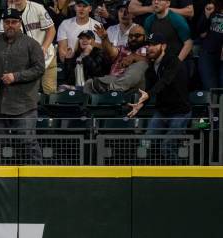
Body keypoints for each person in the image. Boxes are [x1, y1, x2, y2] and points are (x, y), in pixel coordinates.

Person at [0, 8, 45, 163]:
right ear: (3, 23)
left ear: (20, 23)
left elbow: (39, 68)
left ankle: (38, 178)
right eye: (7, 22)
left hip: (24, 104)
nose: (10, 25)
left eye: (14, 22)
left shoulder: (31, 44)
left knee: (27, 142)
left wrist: (16, 76)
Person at [127, 33, 191, 162]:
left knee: (167, 145)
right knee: (145, 143)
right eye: (148, 45)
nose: (150, 48)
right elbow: (148, 92)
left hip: (180, 112)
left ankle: (176, 176)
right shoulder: (150, 69)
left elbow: (165, 81)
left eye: (154, 45)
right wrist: (141, 104)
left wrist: (149, 94)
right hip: (162, 112)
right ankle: (143, 175)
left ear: (163, 46)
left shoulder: (173, 61)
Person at [2, 0, 57, 94]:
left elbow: (51, 30)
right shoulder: (8, 13)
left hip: (46, 56)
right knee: (29, 94)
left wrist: (44, 47)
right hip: (25, 61)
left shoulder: (38, 8)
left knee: (50, 92)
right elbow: (4, 38)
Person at [86, 24, 149, 93]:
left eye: (137, 36)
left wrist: (134, 57)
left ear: (145, 37)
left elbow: (150, 61)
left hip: (134, 85)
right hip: (114, 79)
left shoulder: (148, 49)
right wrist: (104, 38)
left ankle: (114, 89)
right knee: (89, 83)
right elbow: (110, 51)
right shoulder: (122, 48)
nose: (133, 38)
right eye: (131, 36)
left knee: (141, 64)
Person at [197, 0, 223, 89]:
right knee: (211, 89)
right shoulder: (212, 7)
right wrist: (207, 15)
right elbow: (201, 32)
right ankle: (214, 103)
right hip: (208, 53)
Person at [129, 0, 194, 25]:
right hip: (145, 32)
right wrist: (149, 9)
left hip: (172, 32)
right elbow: (131, 9)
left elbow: (189, 12)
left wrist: (164, 9)